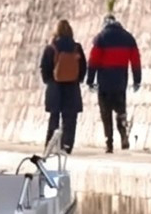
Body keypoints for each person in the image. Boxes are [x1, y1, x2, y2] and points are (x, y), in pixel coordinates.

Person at [87, 14, 143, 152]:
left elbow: (93, 61)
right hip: (120, 82)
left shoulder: (100, 38)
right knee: (120, 111)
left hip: (104, 83)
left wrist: (90, 80)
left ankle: (109, 142)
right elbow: (135, 60)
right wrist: (137, 80)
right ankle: (123, 134)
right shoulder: (128, 38)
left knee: (106, 114)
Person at [38, 20, 87, 154]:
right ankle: (67, 146)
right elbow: (83, 67)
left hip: (55, 87)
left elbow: (44, 67)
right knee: (70, 118)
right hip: (72, 87)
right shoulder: (76, 48)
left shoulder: (51, 48)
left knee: (54, 117)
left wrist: (49, 81)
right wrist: (78, 79)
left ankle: (50, 145)